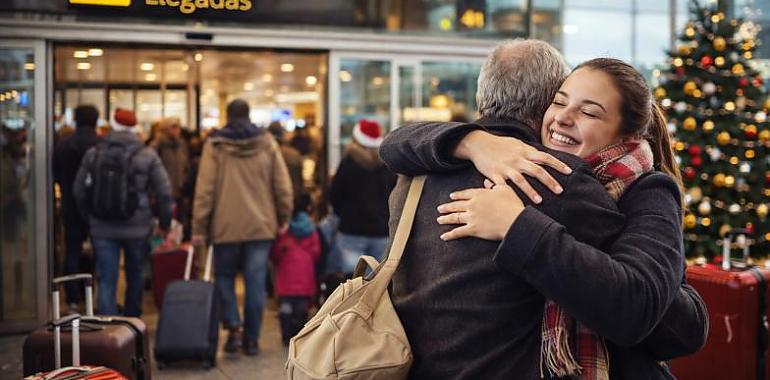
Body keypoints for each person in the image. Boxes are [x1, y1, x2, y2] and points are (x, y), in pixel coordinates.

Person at [379, 41, 707, 379]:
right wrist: (473, 142)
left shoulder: (418, 173)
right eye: (560, 102)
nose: (564, 118)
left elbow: (658, 310)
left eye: (589, 111)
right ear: (544, 106)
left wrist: (515, 223)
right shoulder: (547, 174)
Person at [191, 99, 293, 356]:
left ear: (227, 116)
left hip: (225, 226)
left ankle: (234, 329)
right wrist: (283, 216)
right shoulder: (267, 143)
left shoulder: (215, 145)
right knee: (255, 283)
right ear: (249, 115)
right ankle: (252, 339)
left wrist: (199, 226)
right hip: (260, 226)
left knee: (223, 277)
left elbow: (205, 189)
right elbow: (282, 186)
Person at [73, 108, 173, 318]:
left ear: (112, 125)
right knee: (135, 275)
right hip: (138, 227)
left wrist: (89, 218)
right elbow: (164, 192)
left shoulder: (94, 153)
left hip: (102, 228)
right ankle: (132, 326)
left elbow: (78, 189)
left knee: (106, 279)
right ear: (135, 128)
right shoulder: (146, 154)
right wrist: (165, 223)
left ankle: (108, 331)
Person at [328, 120, 397, 274]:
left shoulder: (348, 163)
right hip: (381, 230)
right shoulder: (388, 165)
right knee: (378, 280)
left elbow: (335, 196)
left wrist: (344, 214)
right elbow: (395, 196)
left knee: (354, 280)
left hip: (352, 230)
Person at [53, 105, 100, 310]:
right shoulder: (100, 145)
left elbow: (54, 174)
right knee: (97, 251)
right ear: (95, 120)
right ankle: (89, 293)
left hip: (70, 205)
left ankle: (71, 297)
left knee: (72, 251)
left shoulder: (63, 145)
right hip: (96, 208)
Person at [271, 193, 321, 345]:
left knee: (286, 308)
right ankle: (299, 337)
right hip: (305, 276)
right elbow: (316, 252)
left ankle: (286, 338)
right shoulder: (311, 229)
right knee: (301, 308)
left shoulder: (285, 230)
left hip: (286, 277)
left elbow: (276, 253)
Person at [268, 121, 304, 201]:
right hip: (293, 197)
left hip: (272, 201)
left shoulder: (265, 155)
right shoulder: (294, 154)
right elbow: (299, 181)